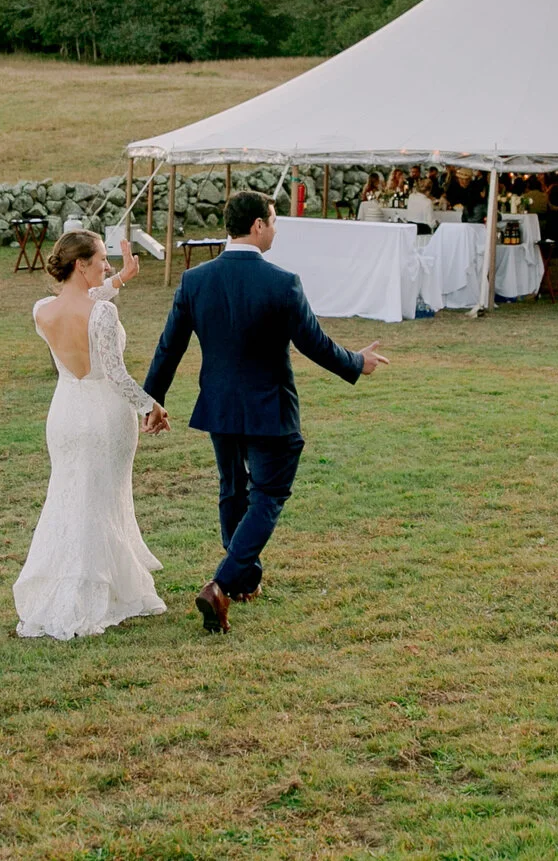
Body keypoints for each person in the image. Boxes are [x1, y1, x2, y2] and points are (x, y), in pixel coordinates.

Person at [143, 191, 390, 634]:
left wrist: (152, 400)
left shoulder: (195, 281)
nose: (275, 229)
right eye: (273, 221)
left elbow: (169, 347)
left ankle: (244, 577)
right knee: (269, 494)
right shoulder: (282, 282)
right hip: (270, 408)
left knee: (233, 488)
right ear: (257, 225)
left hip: (219, 406)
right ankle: (222, 584)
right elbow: (314, 343)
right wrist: (357, 362)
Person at [12, 230, 168, 640]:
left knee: (71, 496)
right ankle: (90, 597)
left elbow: (83, 300)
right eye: (102, 259)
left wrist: (120, 280)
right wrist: (150, 406)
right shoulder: (103, 314)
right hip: (104, 414)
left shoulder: (42, 310)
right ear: (81, 265)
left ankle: (69, 587)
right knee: (101, 499)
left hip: (65, 412)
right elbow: (116, 374)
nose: (107, 265)